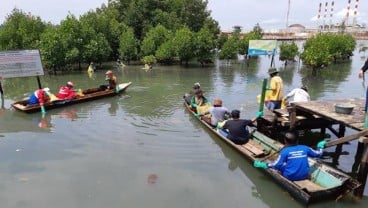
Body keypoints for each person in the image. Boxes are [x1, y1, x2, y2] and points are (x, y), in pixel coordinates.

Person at [253, 132, 326, 181]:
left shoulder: (284, 151)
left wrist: (264, 165)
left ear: (285, 141)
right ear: (297, 141)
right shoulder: (305, 148)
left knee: (280, 165)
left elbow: (276, 165)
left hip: (290, 177)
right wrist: (320, 146)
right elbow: (318, 154)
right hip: (304, 175)